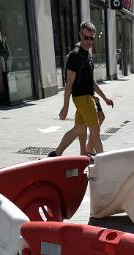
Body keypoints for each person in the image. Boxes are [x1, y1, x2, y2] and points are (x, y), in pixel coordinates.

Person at [49, 21, 113, 158]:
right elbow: (69, 83)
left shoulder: (87, 55)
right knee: (95, 129)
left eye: (92, 38)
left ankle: (56, 153)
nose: (89, 41)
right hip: (82, 97)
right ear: (80, 35)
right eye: (86, 37)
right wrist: (65, 106)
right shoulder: (75, 55)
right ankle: (95, 155)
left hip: (89, 96)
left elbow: (91, 81)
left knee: (79, 128)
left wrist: (104, 97)